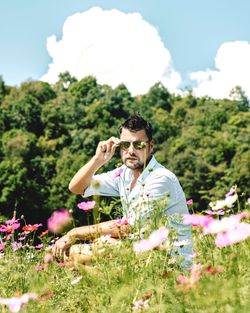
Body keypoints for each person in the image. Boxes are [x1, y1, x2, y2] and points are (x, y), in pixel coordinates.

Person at [52, 114, 193, 268]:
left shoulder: (160, 178)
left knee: (93, 249)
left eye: (138, 145)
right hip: (142, 254)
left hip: (169, 260)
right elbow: (76, 187)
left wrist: (74, 232)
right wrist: (98, 160)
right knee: (74, 252)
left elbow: (129, 227)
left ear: (151, 146)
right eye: (125, 145)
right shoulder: (123, 174)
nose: (131, 151)